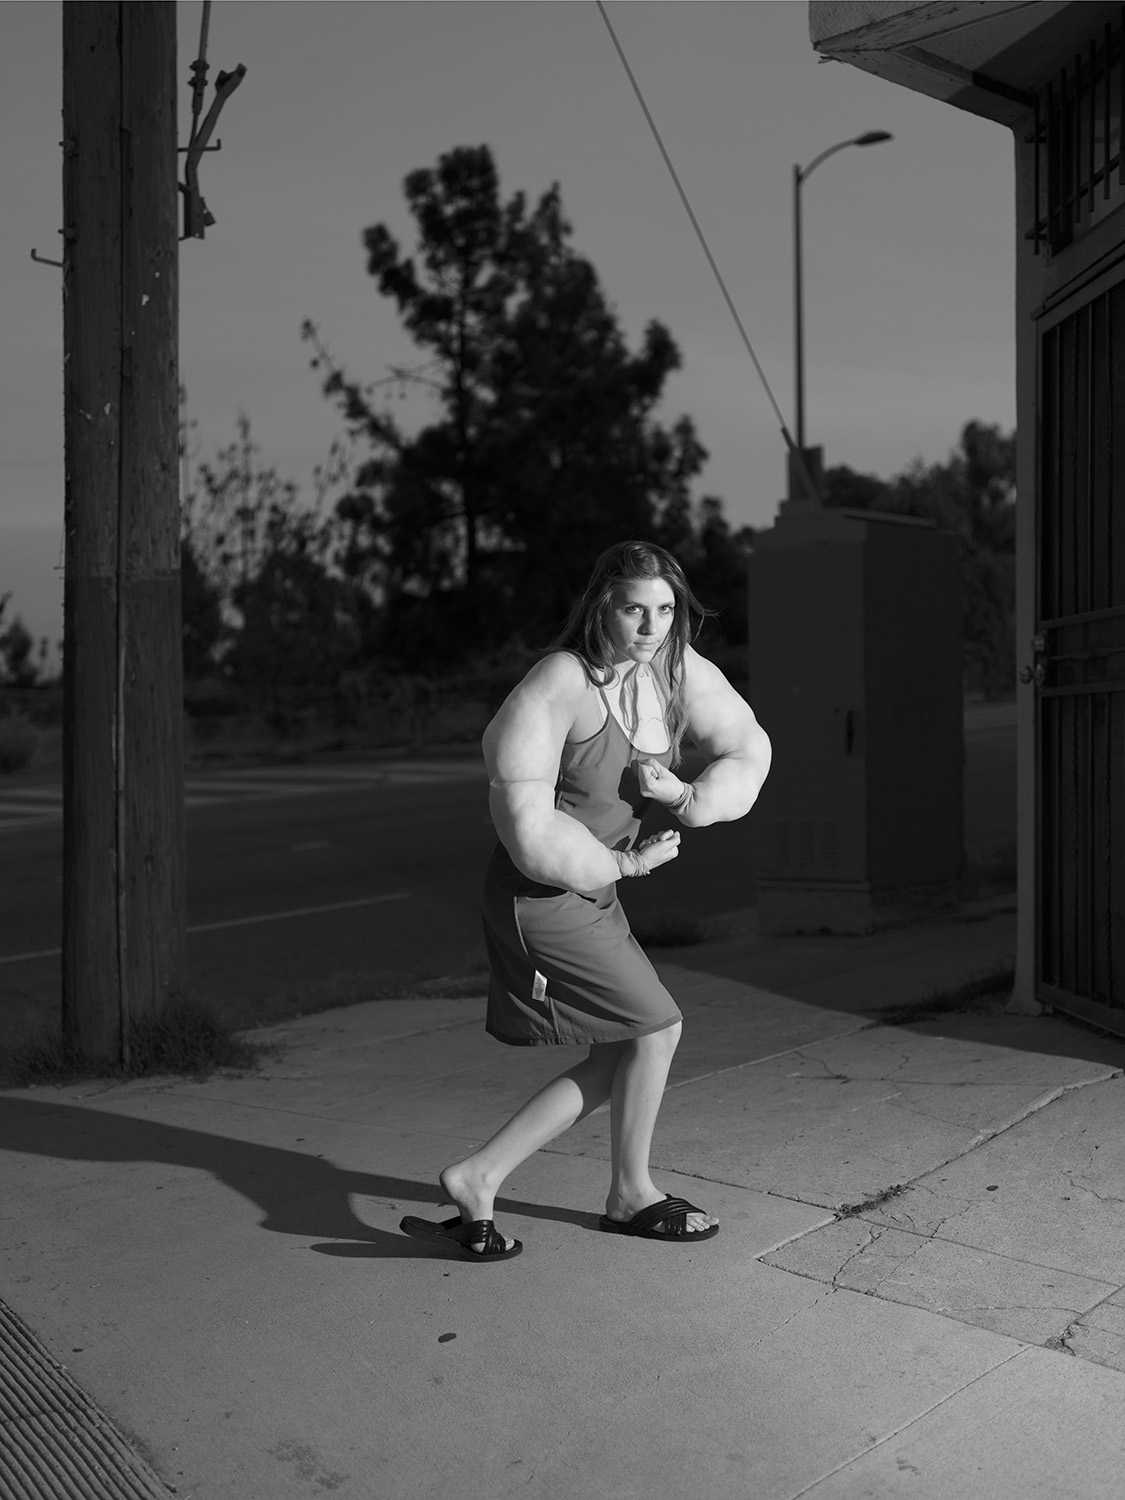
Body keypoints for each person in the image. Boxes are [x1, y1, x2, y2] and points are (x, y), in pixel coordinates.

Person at [400, 540, 771, 1261]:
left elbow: (748, 748)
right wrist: (623, 863)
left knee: (621, 1051)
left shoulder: (672, 671)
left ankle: (478, 1178)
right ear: (601, 605)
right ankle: (630, 1193)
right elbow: (526, 823)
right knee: (657, 1030)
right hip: (541, 892)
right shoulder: (561, 682)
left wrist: (688, 796)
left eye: (665, 609)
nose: (652, 627)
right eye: (634, 609)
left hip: (595, 891)